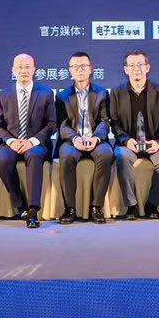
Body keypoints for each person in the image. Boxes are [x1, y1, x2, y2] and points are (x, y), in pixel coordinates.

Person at [107, 50, 159, 219]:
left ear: (147, 67)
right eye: (132, 65)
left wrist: (158, 142)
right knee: (122, 157)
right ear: (125, 70)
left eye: (140, 64)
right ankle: (132, 206)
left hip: (154, 144)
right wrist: (126, 140)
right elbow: (114, 123)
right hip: (128, 144)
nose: (136, 69)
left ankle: (152, 204)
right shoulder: (116, 92)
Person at [0, 53, 56, 228]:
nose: (24, 70)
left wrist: (32, 141)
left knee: (34, 156)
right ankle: (19, 204)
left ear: (34, 69)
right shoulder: (3, 95)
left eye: (28, 67)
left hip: (35, 143)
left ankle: (33, 210)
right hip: (11, 142)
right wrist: (11, 141)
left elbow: (52, 124)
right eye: (20, 67)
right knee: (4, 160)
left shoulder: (46, 93)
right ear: (13, 70)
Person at [55, 51, 113, 224]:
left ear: (91, 69)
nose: (80, 70)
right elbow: (62, 125)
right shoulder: (62, 96)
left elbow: (104, 121)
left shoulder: (102, 93)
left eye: (83, 66)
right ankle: (69, 209)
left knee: (106, 154)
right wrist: (75, 139)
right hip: (72, 141)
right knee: (67, 156)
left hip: (96, 140)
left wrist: (95, 138)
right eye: (75, 66)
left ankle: (96, 207)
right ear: (70, 71)